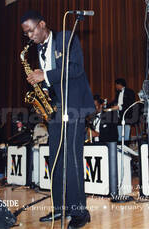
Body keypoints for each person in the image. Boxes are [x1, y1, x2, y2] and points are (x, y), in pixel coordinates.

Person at [21, 10, 94, 228]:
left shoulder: (66, 37)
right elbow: (52, 81)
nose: (30, 36)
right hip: (54, 110)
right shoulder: (38, 49)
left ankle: (81, 213)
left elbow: (76, 69)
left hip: (73, 107)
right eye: (26, 34)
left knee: (72, 159)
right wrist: (41, 85)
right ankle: (60, 208)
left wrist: (46, 75)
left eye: (31, 31)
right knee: (56, 160)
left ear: (42, 24)